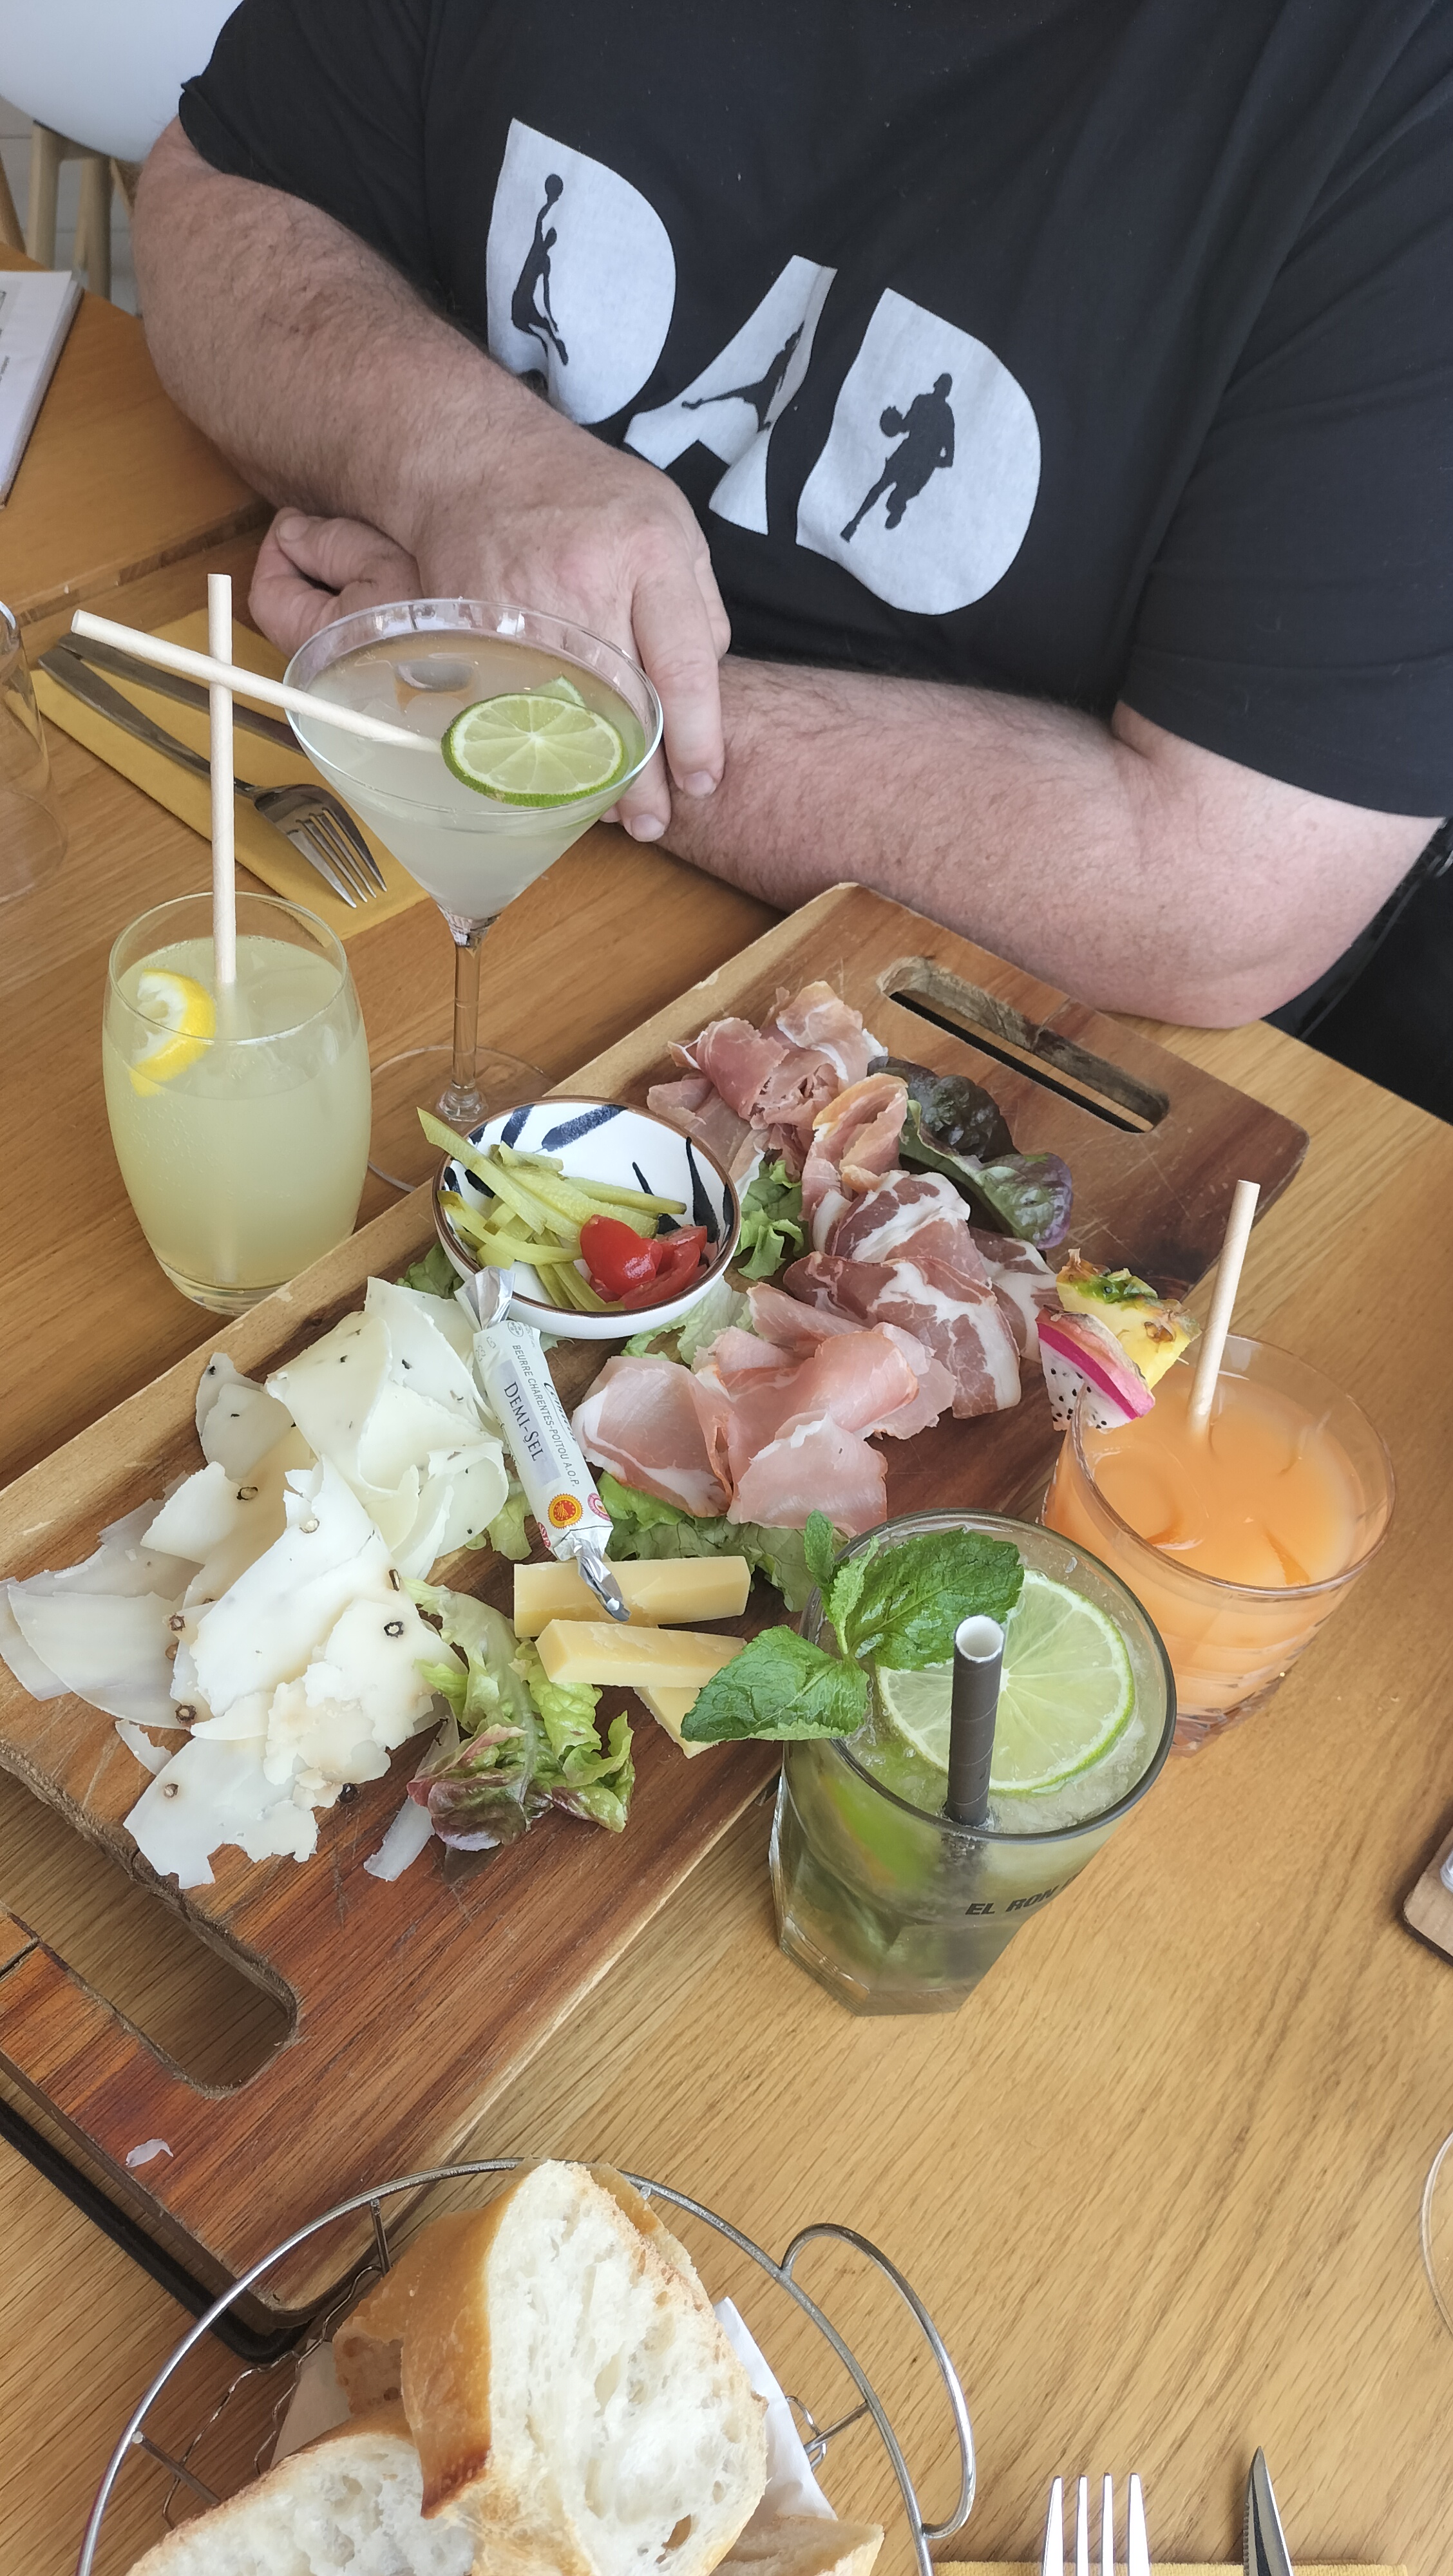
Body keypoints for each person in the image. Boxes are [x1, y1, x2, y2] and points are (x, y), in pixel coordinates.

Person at [132, 0, 1453, 1107]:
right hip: (365, 817)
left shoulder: (1395, 94)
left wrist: (531, 689)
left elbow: (1223, 895)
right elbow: (215, 195)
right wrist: (471, 462)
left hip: (940, 1041)